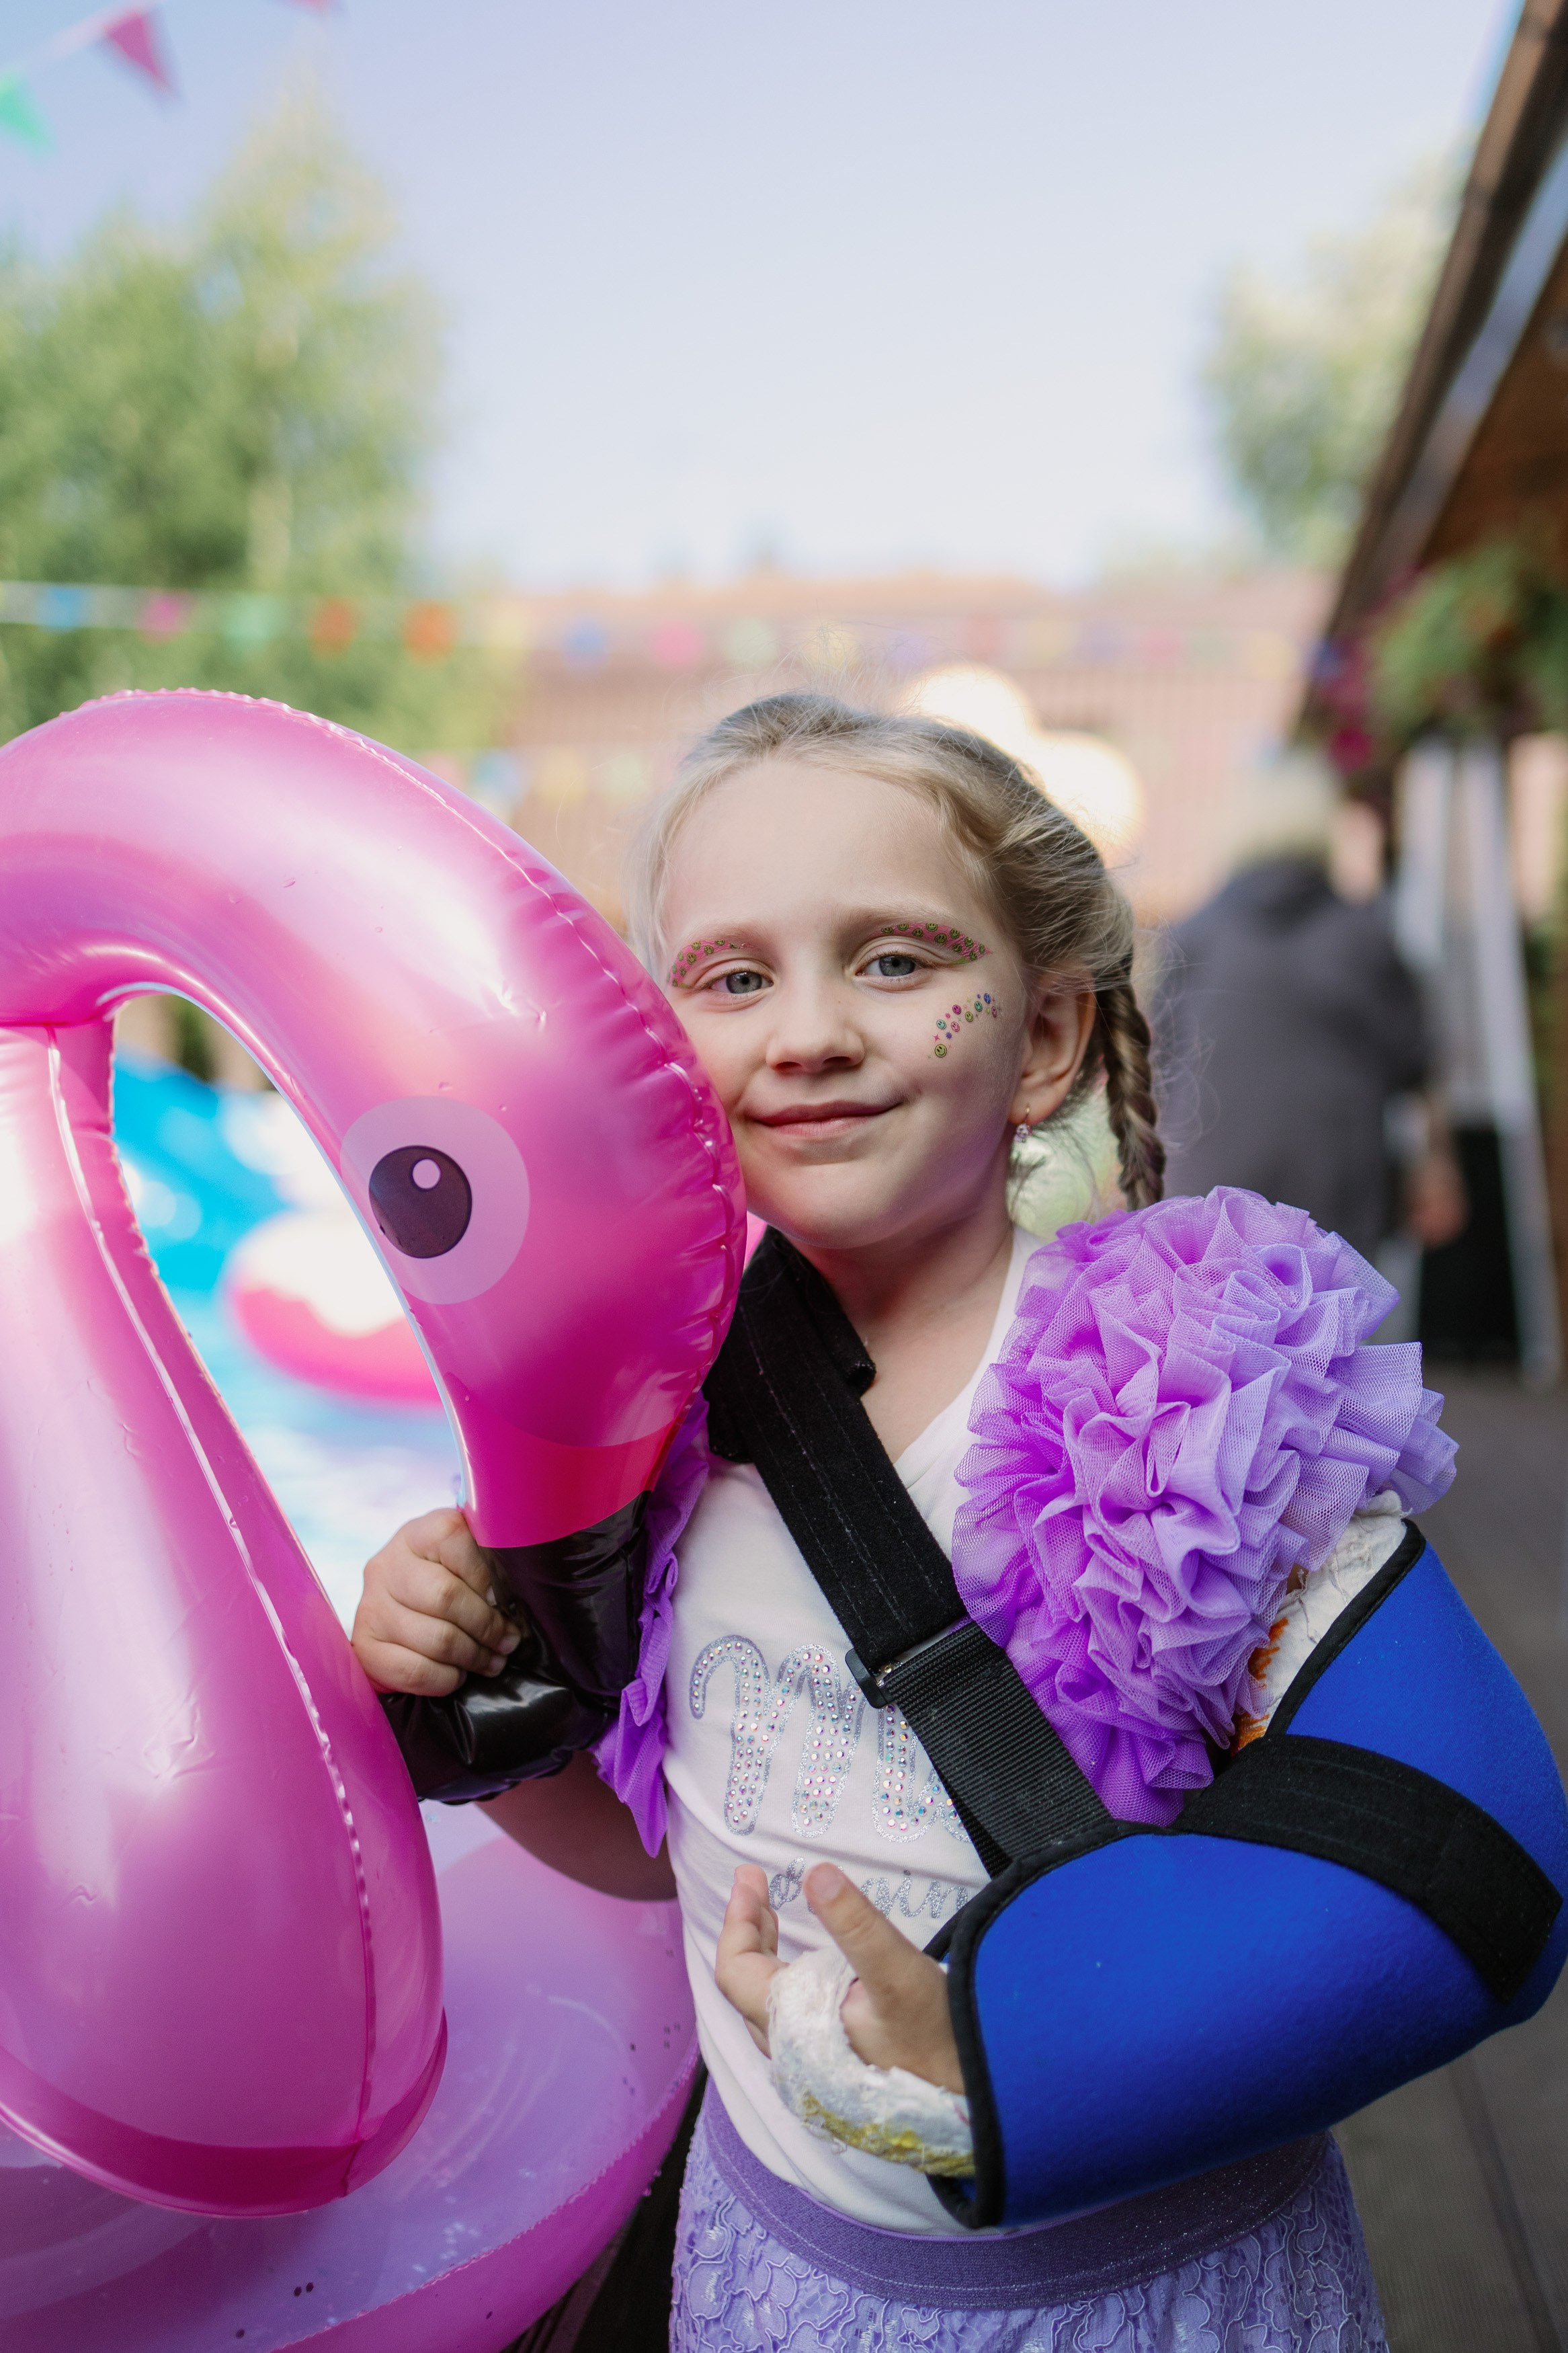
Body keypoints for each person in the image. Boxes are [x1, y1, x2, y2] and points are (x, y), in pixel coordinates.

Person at [349, 696, 1549, 2352]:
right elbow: (665, 1844)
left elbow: (1463, 1858)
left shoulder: (1183, 1397)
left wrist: (1013, 2047)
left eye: (898, 960)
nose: (814, 1029)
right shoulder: (645, 1433)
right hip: (772, 2280)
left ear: (1044, 1037)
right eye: (734, 977)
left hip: (1144, 2297)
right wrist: (464, 1678)